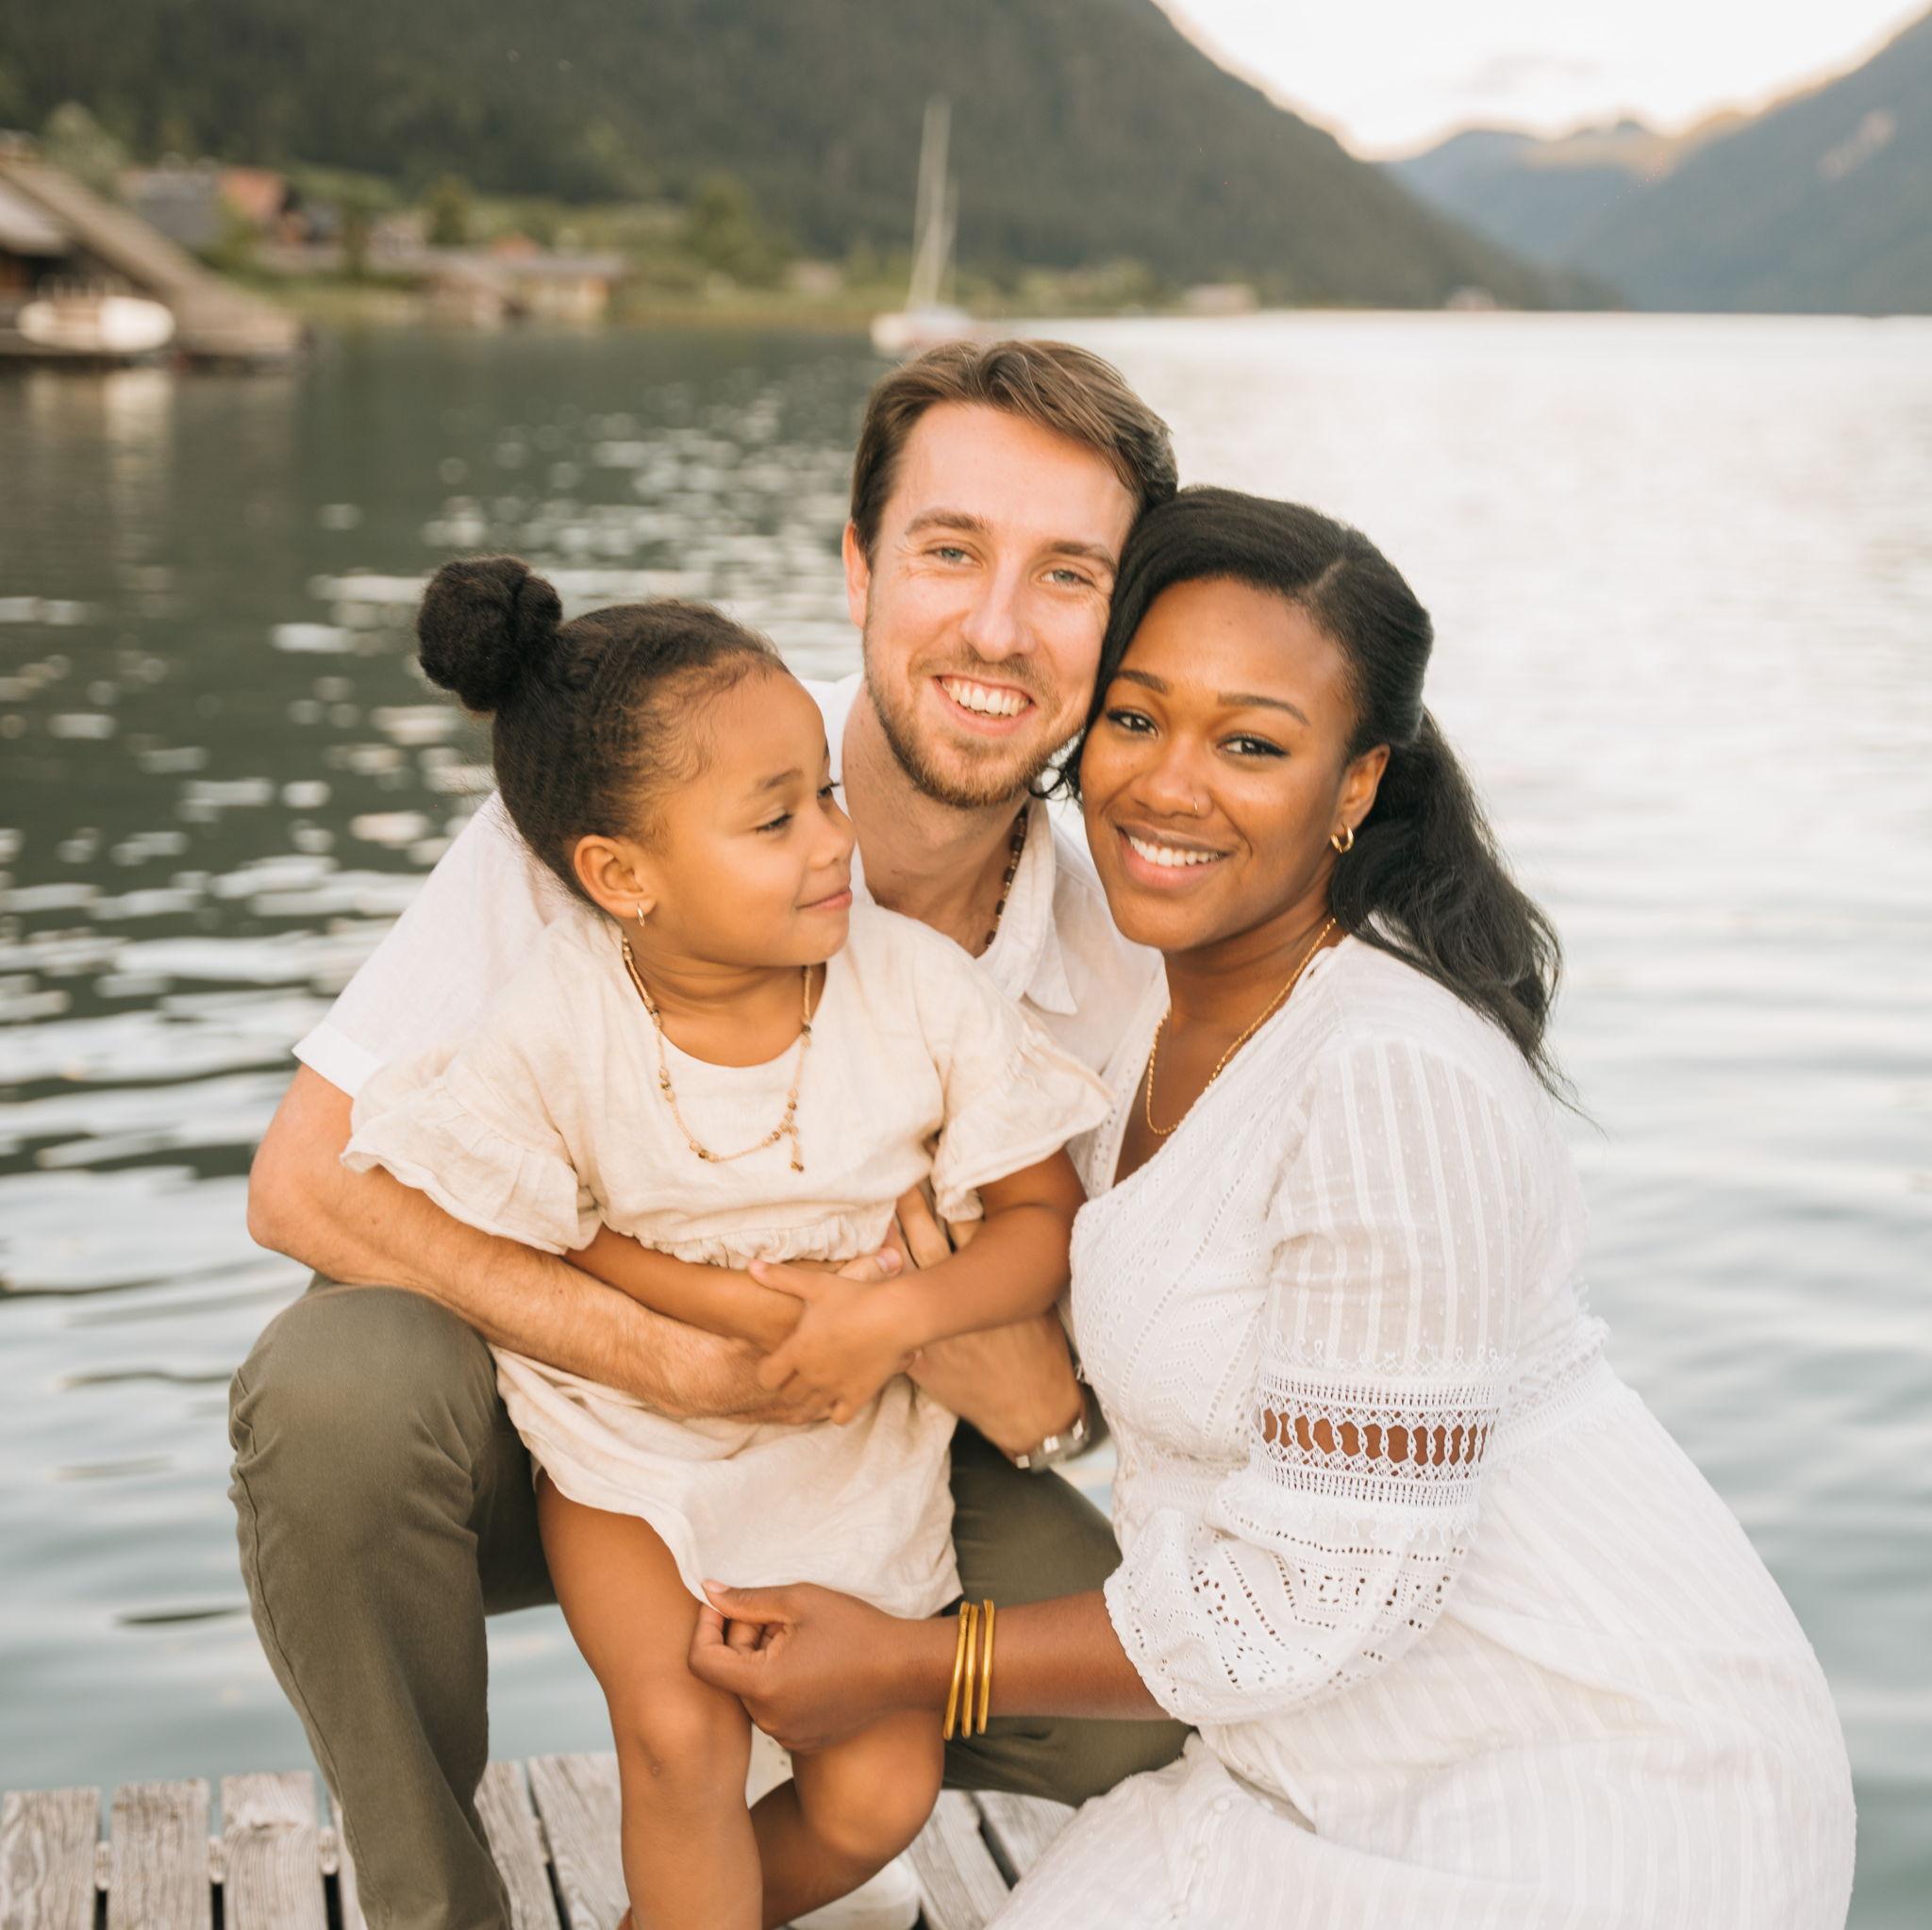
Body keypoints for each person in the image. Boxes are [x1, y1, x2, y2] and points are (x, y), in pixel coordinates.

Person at [687, 488, 1858, 1928]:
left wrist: (911, 1663)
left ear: (1356, 786)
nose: (1168, 786)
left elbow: (1317, 1594)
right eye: (1134, 719)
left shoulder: (1390, 1075)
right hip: (1304, 1768)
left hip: (1597, 1790)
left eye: (1250, 744)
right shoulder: (1143, 1019)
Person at [232, 339, 1187, 1930]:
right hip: (570, 1431)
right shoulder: (636, 778)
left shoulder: (1117, 966)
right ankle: (434, 1910)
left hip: (872, 1441)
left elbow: (1054, 1397)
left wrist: (929, 1332)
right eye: (951, 550)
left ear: (1121, 621)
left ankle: (783, 1851)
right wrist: (670, 1351)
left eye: (1069, 575)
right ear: (861, 567)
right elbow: (302, 1181)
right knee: (335, 1393)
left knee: (1140, 1706)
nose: (999, 627)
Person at [342, 563, 1112, 1929]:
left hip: (858, 1458)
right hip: (629, 1458)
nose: (832, 842)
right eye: (775, 818)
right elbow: (538, 1231)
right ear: (621, 874)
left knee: (879, 1788)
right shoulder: (557, 1019)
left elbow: (1040, 1223)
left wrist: (889, 1319)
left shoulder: (916, 990)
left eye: (827, 792)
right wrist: (727, 1307)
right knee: (680, 1737)